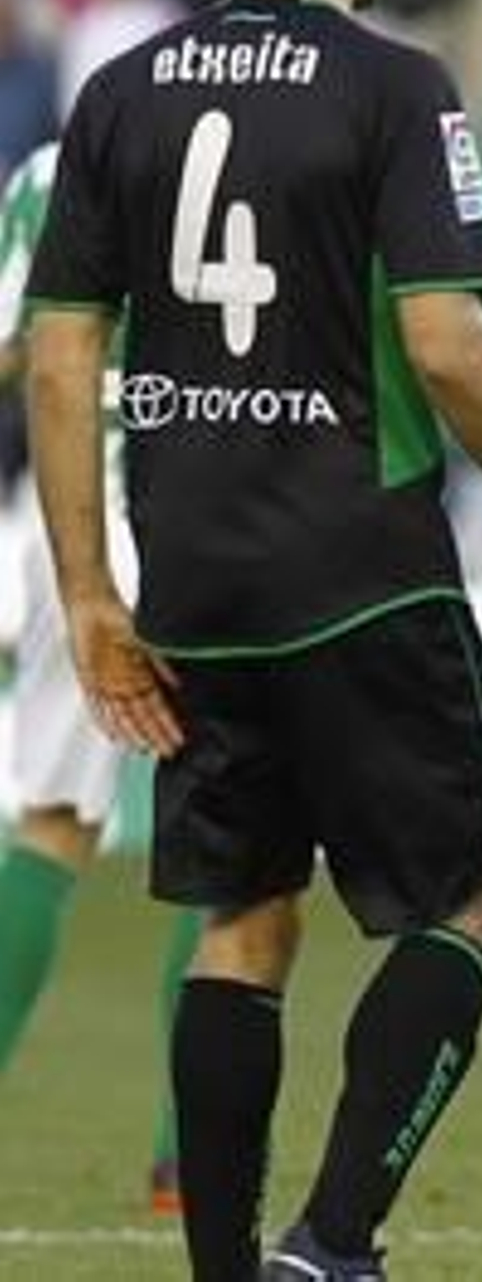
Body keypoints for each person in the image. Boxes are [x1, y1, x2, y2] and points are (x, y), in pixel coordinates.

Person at [22, 0, 482, 1282]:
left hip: (194, 573)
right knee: (467, 897)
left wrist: (95, 593)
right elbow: (445, 342)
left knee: (244, 916)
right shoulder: (396, 85)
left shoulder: (118, 92)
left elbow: (61, 349)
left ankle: (226, 1270)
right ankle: (335, 1237)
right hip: (359, 567)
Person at [0, 138, 200, 1217]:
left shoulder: (47, 167)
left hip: (70, 522)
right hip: (220, 515)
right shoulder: (278, 129)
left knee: (51, 821)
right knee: (235, 846)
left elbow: (13, 347)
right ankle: (188, 1157)